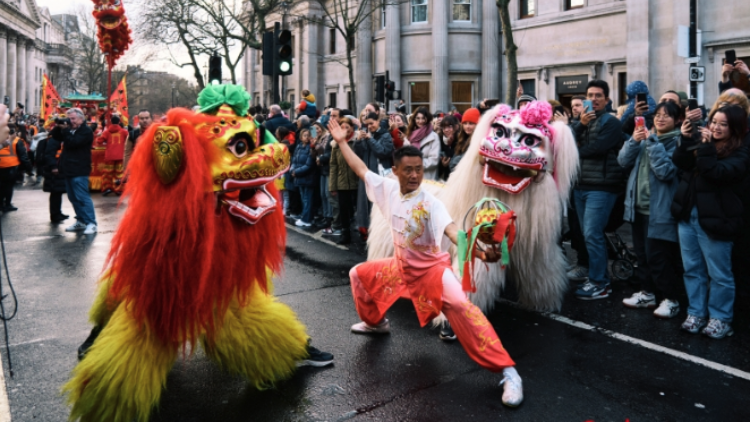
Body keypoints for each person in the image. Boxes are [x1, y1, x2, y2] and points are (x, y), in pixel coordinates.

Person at [327, 119, 524, 408]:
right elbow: (359, 168)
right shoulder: (385, 188)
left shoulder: (431, 203)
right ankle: (376, 323)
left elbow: (454, 233)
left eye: (419, 169)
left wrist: (481, 254)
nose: (414, 175)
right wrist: (342, 142)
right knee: (358, 274)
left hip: (433, 274)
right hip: (400, 270)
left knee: (461, 308)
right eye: (408, 170)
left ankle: (509, 373)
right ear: (394, 171)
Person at [672, 105, 748, 338]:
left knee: (719, 273)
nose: (715, 127)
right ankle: (696, 312)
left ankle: (721, 318)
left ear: (734, 128)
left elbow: (716, 172)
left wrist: (704, 148)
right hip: (689, 214)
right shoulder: (703, 141)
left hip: (718, 220)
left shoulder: (741, 151)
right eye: (714, 121)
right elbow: (681, 163)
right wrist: (686, 140)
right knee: (692, 269)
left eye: (723, 124)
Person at [618, 102, 684, 318]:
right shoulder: (645, 139)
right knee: (643, 256)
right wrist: (633, 141)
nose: (660, 119)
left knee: (659, 258)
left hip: (660, 210)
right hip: (638, 207)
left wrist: (652, 141)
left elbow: (665, 172)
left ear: (677, 119)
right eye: (658, 115)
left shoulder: (677, 142)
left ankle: (671, 299)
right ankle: (647, 293)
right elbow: (622, 161)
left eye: (667, 116)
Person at [570, 80, 625, 300]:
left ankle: (601, 283)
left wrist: (577, 150)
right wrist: (581, 125)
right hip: (580, 186)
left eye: (598, 95)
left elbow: (598, 148)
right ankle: (596, 277)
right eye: (590, 95)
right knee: (589, 235)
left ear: (607, 99)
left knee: (593, 234)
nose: (594, 99)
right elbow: (566, 143)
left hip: (602, 187)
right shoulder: (580, 121)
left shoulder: (611, 122)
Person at [55, 108, 98, 235]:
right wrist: (59, 126)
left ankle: (91, 222)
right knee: (73, 197)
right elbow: (56, 137)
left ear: (81, 118)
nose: (70, 121)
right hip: (68, 168)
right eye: (69, 118)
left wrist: (66, 130)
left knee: (82, 197)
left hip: (80, 169)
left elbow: (74, 142)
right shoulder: (69, 130)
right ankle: (81, 220)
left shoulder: (86, 131)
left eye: (73, 118)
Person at [328, 117, 359, 245]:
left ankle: (359, 233)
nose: (345, 130)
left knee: (356, 209)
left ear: (352, 128)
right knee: (343, 210)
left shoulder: (356, 142)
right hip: (342, 182)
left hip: (356, 181)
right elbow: (333, 165)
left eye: (348, 127)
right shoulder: (336, 144)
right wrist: (333, 186)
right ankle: (346, 234)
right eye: (342, 127)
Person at [0, 120, 33, 211]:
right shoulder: (17, 140)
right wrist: (28, 168)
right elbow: (23, 156)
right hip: (11, 166)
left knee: (2, 186)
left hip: (1, 165)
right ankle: (7, 204)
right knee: (9, 186)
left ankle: (1, 204)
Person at [41, 124, 68, 222]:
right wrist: (53, 167)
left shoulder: (57, 140)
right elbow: (49, 155)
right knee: (55, 193)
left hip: (58, 169)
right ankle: (55, 215)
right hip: (54, 170)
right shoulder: (54, 141)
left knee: (58, 192)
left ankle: (58, 212)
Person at [290, 128, 317, 227]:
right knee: (303, 198)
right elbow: (294, 161)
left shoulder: (311, 148)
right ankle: (305, 216)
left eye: (308, 135)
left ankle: (307, 219)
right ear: (301, 137)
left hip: (307, 177)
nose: (307, 137)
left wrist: (296, 172)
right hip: (299, 177)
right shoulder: (299, 147)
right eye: (305, 135)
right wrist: (292, 170)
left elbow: (309, 165)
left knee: (307, 199)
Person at [405, 107, 440, 180]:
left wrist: (416, 164)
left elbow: (434, 160)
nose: (420, 121)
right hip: (411, 177)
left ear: (427, 119)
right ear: (414, 119)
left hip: (427, 178)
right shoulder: (410, 135)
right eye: (418, 118)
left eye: (423, 118)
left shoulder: (434, 136)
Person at [100, 115, 129, 196]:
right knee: (119, 173)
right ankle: (119, 190)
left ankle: (107, 188)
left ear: (111, 122)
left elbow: (99, 140)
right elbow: (129, 139)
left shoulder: (106, 132)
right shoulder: (124, 132)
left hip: (109, 156)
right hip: (120, 155)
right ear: (119, 122)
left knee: (108, 173)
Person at [449, 108, 479, 172]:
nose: (467, 126)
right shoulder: (461, 138)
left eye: (471, 123)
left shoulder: (478, 141)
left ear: (477, 125)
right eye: (465, 123)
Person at [437, 115, 459, 181]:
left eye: (449, 127)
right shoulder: (440, 140)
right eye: (444, 127)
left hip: (458, 178)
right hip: (446, 178)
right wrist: (442, 164)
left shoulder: (460, 141)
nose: (446, 130)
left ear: (456, 127)